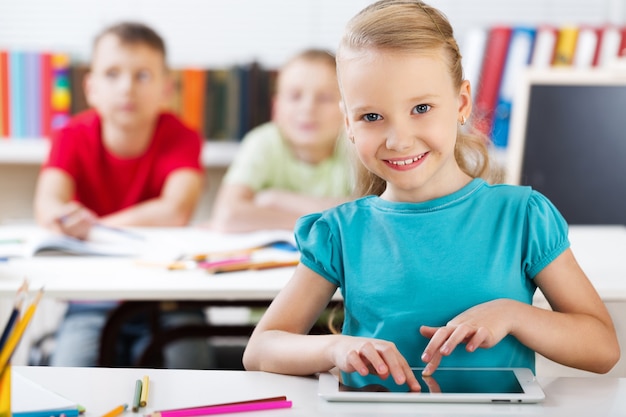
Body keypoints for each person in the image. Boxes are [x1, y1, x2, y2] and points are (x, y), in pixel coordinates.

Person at [243, 0, 620, 392]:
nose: (399, 139)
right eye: (371, 116)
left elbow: (602, 348)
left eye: (421, 108)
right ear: (349, 124)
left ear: (461, 103)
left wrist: (514, 315)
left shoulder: (521, 217)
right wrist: (335, 348)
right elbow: (260, 350)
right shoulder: (340, 231)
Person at [33, 21, 213, 368]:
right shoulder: (70, 136)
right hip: (92, 297)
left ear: (166, 89)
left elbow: (175, 210)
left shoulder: (182, 137)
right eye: (112, 74)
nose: (127, 88)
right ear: (91, 87)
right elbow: (47, 206)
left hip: (170, 297)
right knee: (69, 376)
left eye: (142, 75)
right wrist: (69, 219)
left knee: (192, 370)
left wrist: (94, 228)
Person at [208, 49, 353, 233]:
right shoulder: (263, 141)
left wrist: (275, 200)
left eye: (324, 98)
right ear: (276, 107)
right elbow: (227, 215)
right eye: (294, 96)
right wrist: (316, 223)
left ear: (347, 108)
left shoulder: (354, 148)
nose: (308, 108)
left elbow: (367, 214)